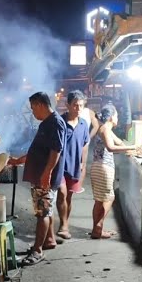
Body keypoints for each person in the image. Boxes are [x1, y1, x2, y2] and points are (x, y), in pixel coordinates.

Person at [8, 92, 66, 266]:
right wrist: (19, 160)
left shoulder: (55, 123)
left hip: (44, 176)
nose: (33, 112)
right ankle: (49, 241)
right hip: (41, 174)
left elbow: (56, 150)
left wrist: (47, 173)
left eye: (33, 108)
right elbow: (38, 150)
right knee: (45, 209)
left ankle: (37, 250)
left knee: (43, 212)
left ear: (40, 104)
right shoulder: (46, 123)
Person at [89, 104, 139, 239]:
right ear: (111, 117)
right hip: (103, 168)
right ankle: (97, 227)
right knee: (109, 198)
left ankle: (97, 230)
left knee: (99, 201)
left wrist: (131, 149)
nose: (118, 118)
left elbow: (120, 143)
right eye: (116, 115)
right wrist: (134, 147)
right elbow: (111, 148)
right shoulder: (105, 129)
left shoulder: (106, 129)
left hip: (99, 167)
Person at [56, 90, 90, 240]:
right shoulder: (60, 122)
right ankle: (63, 225)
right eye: (75, 105)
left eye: (81, 106)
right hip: (60, 164)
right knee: (62, 193)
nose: (78, 109)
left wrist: (83, 163)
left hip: (75, 165)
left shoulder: (83, 124)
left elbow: (85, 144)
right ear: (67, 105)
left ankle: (65, 223)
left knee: (68, 196)